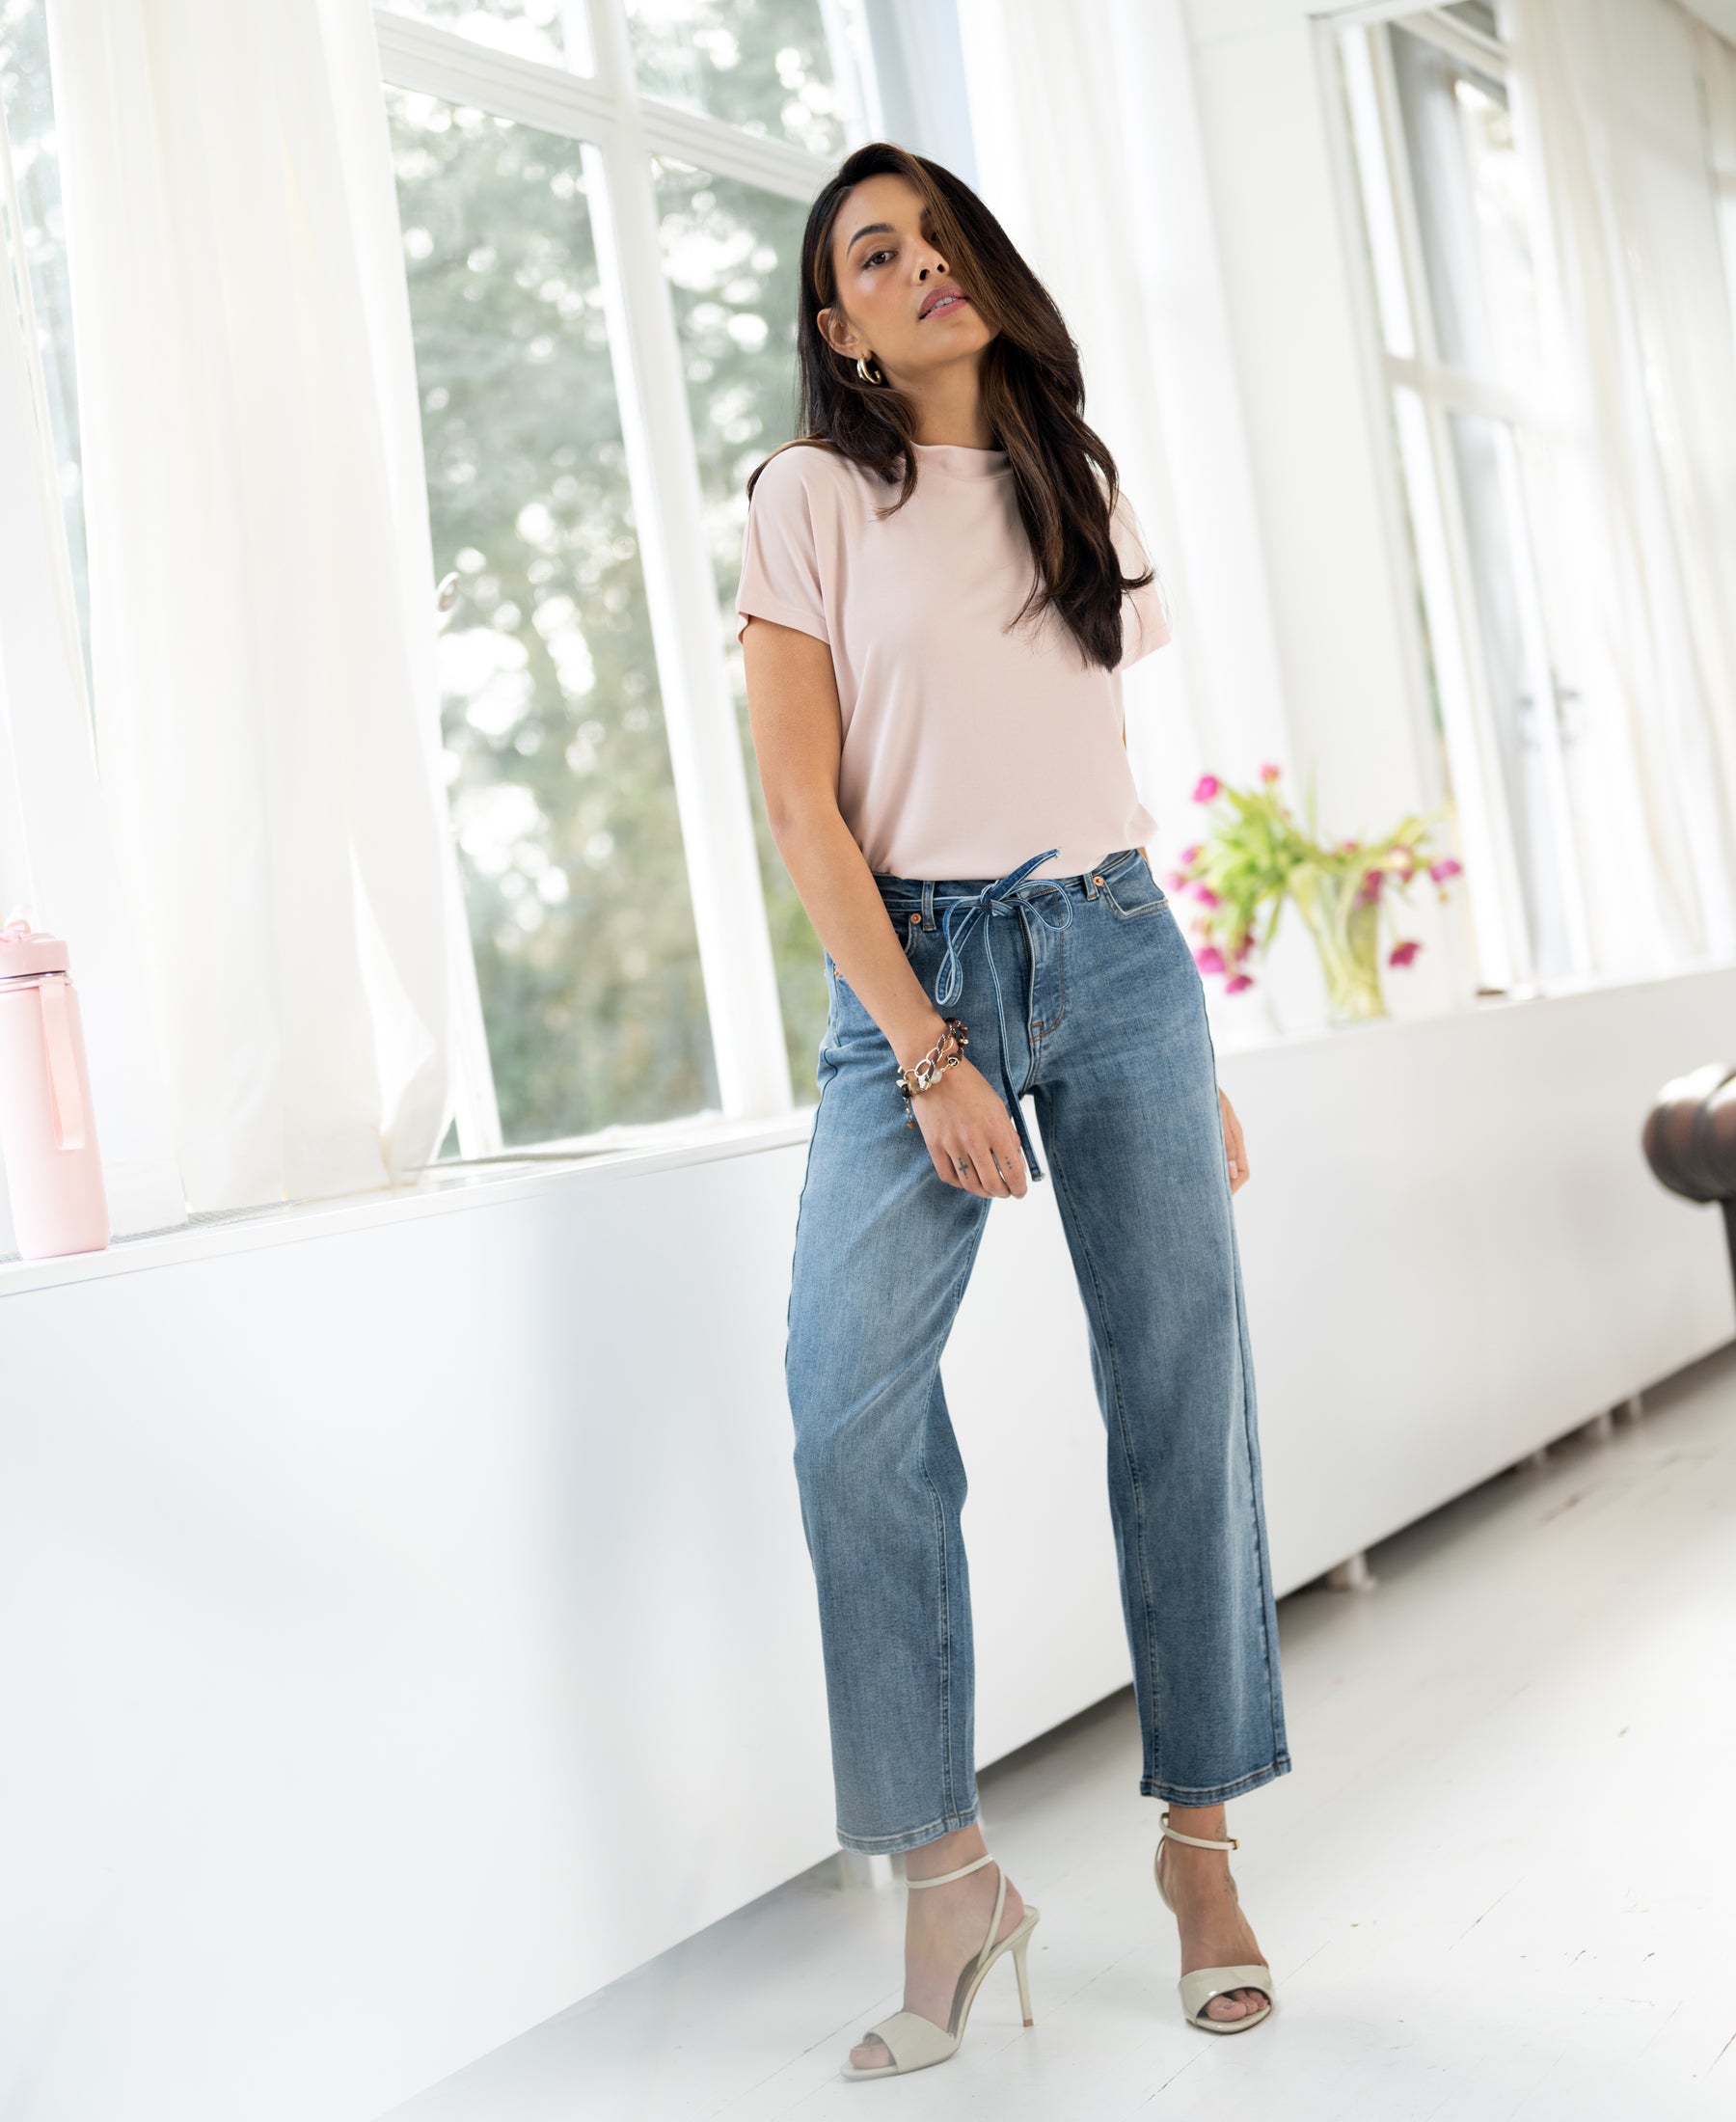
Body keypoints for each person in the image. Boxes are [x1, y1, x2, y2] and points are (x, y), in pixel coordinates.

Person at [735, 141, 1290, 2079]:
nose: (919, 265)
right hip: (916, 978)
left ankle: (1203, 1844)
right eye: (874, 254)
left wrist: (1187, 1043)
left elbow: (1093, 757)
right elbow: (806, 809)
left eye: (940, 234)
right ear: (843, 326)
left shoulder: (1078, 479)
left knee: (1181, 1379)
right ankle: (949, 1871)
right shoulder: (809, 498)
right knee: (845, 1404)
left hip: (1118, 951)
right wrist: (931, 1049)